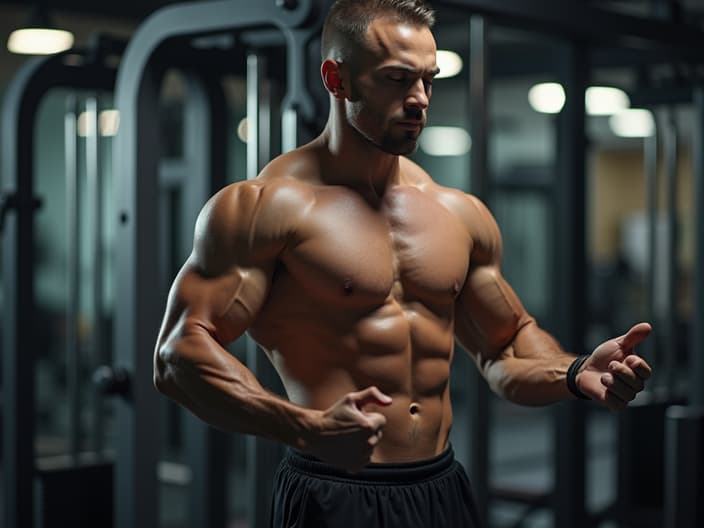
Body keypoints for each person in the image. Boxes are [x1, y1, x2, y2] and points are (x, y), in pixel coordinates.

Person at [153, 0, 653, 526]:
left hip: (441, 486)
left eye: (428, 81)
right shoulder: (264, 208)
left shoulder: (457, 213)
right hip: (333, 492)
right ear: (336, 78)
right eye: (397, 79)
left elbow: (505, 348)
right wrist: (304, 427)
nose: (419, 100)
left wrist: (574, 372)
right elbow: (178, 355)